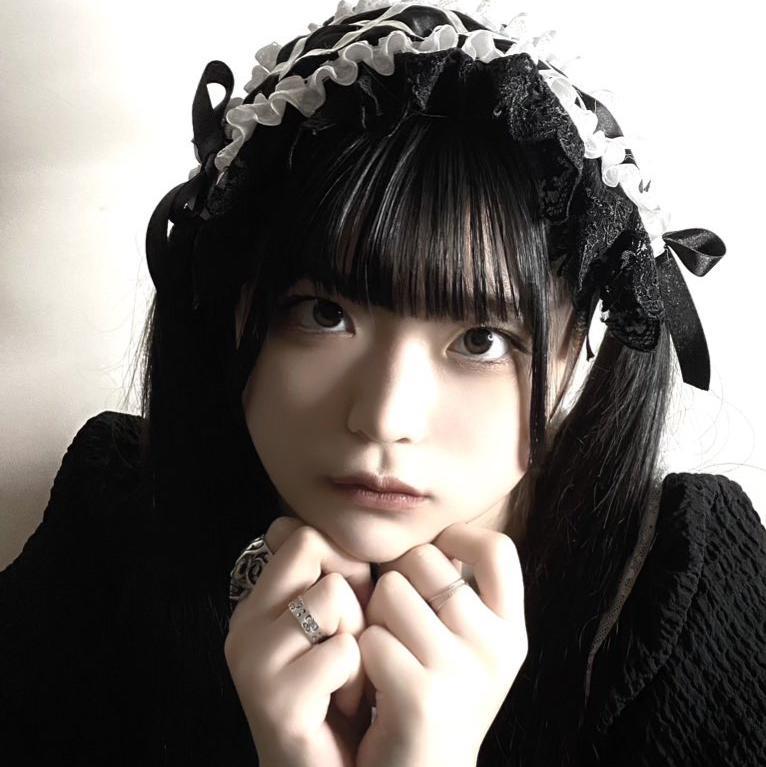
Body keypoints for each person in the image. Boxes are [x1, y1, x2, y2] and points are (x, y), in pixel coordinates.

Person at [1, 1, 765, 765]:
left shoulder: (686, 593)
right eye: (323, 313)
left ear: (579, 347)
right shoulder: (114, 531)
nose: (384, 416)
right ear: (235, 307)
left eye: (480, 340)